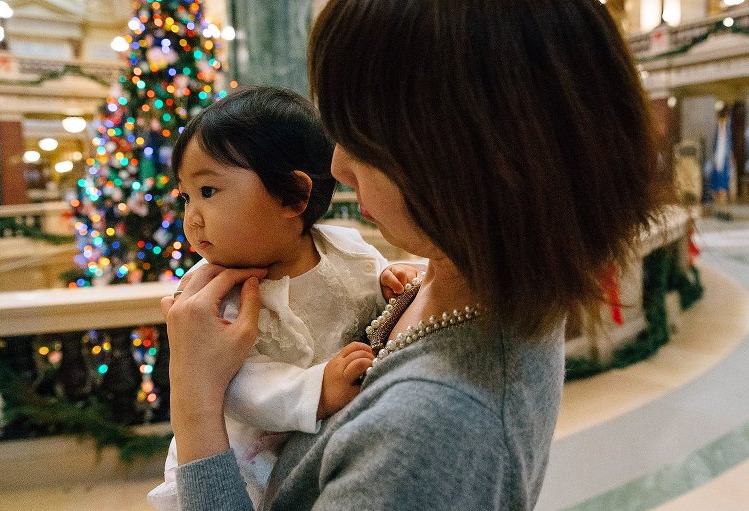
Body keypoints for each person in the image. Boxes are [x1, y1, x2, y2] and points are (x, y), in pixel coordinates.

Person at [163, 1, 671, 509]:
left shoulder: (426, 433)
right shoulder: (489, 279)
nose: (338, 165)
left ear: (456, 153)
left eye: (361, 136)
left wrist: (193, 397)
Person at [146, 86, 420, 510]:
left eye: (208, 192)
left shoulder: (344, 248)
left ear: (293, 196)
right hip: (243, 463)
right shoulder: (207, 292)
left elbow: (371, 270)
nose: (191, 217)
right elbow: (235, 384)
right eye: (185, 197)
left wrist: (389, 276)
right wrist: (316, 389)